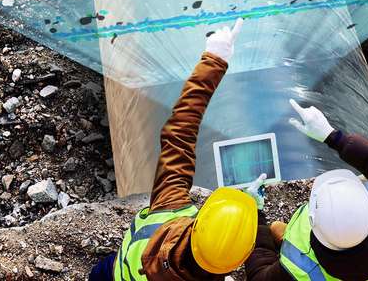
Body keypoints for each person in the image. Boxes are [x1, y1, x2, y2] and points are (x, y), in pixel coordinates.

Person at [89, 19, 263, 281]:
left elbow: (180, 132)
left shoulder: (169, 207)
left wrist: (214, 60)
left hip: (113, 271)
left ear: (199, 223)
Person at [244, 100, 368, 280]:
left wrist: (256, 215)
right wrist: (333, 137)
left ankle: (287, 243)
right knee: (276, 229)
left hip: (303, 259)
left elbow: (258, 276)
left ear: (311, 221)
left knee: (272, 229)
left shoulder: (299, 271)